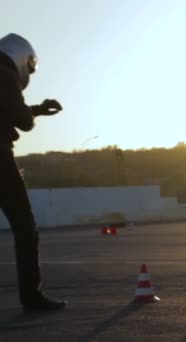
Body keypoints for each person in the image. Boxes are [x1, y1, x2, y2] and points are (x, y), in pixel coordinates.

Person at [0, 33, 66, 313]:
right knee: (25, 228)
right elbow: (22, 120)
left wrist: (37, 108)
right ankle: (32, 296)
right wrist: (34, 113)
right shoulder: (4, 72)